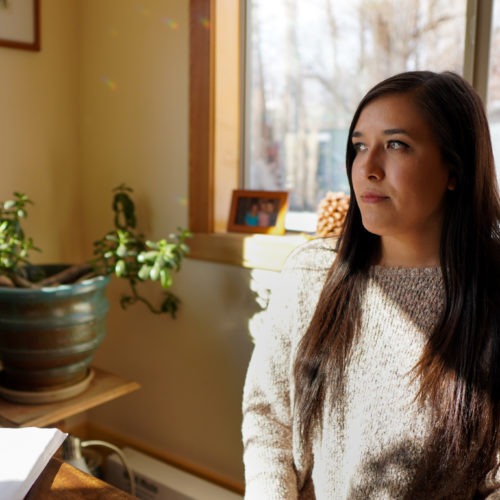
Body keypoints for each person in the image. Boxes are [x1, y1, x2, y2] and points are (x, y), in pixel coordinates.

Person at [242, 71, 500, 499]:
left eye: (396, 145)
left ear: (454, 169)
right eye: (360, 146)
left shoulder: (490, 298)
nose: (367, 167)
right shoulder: (311, 274)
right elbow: (268, 416)